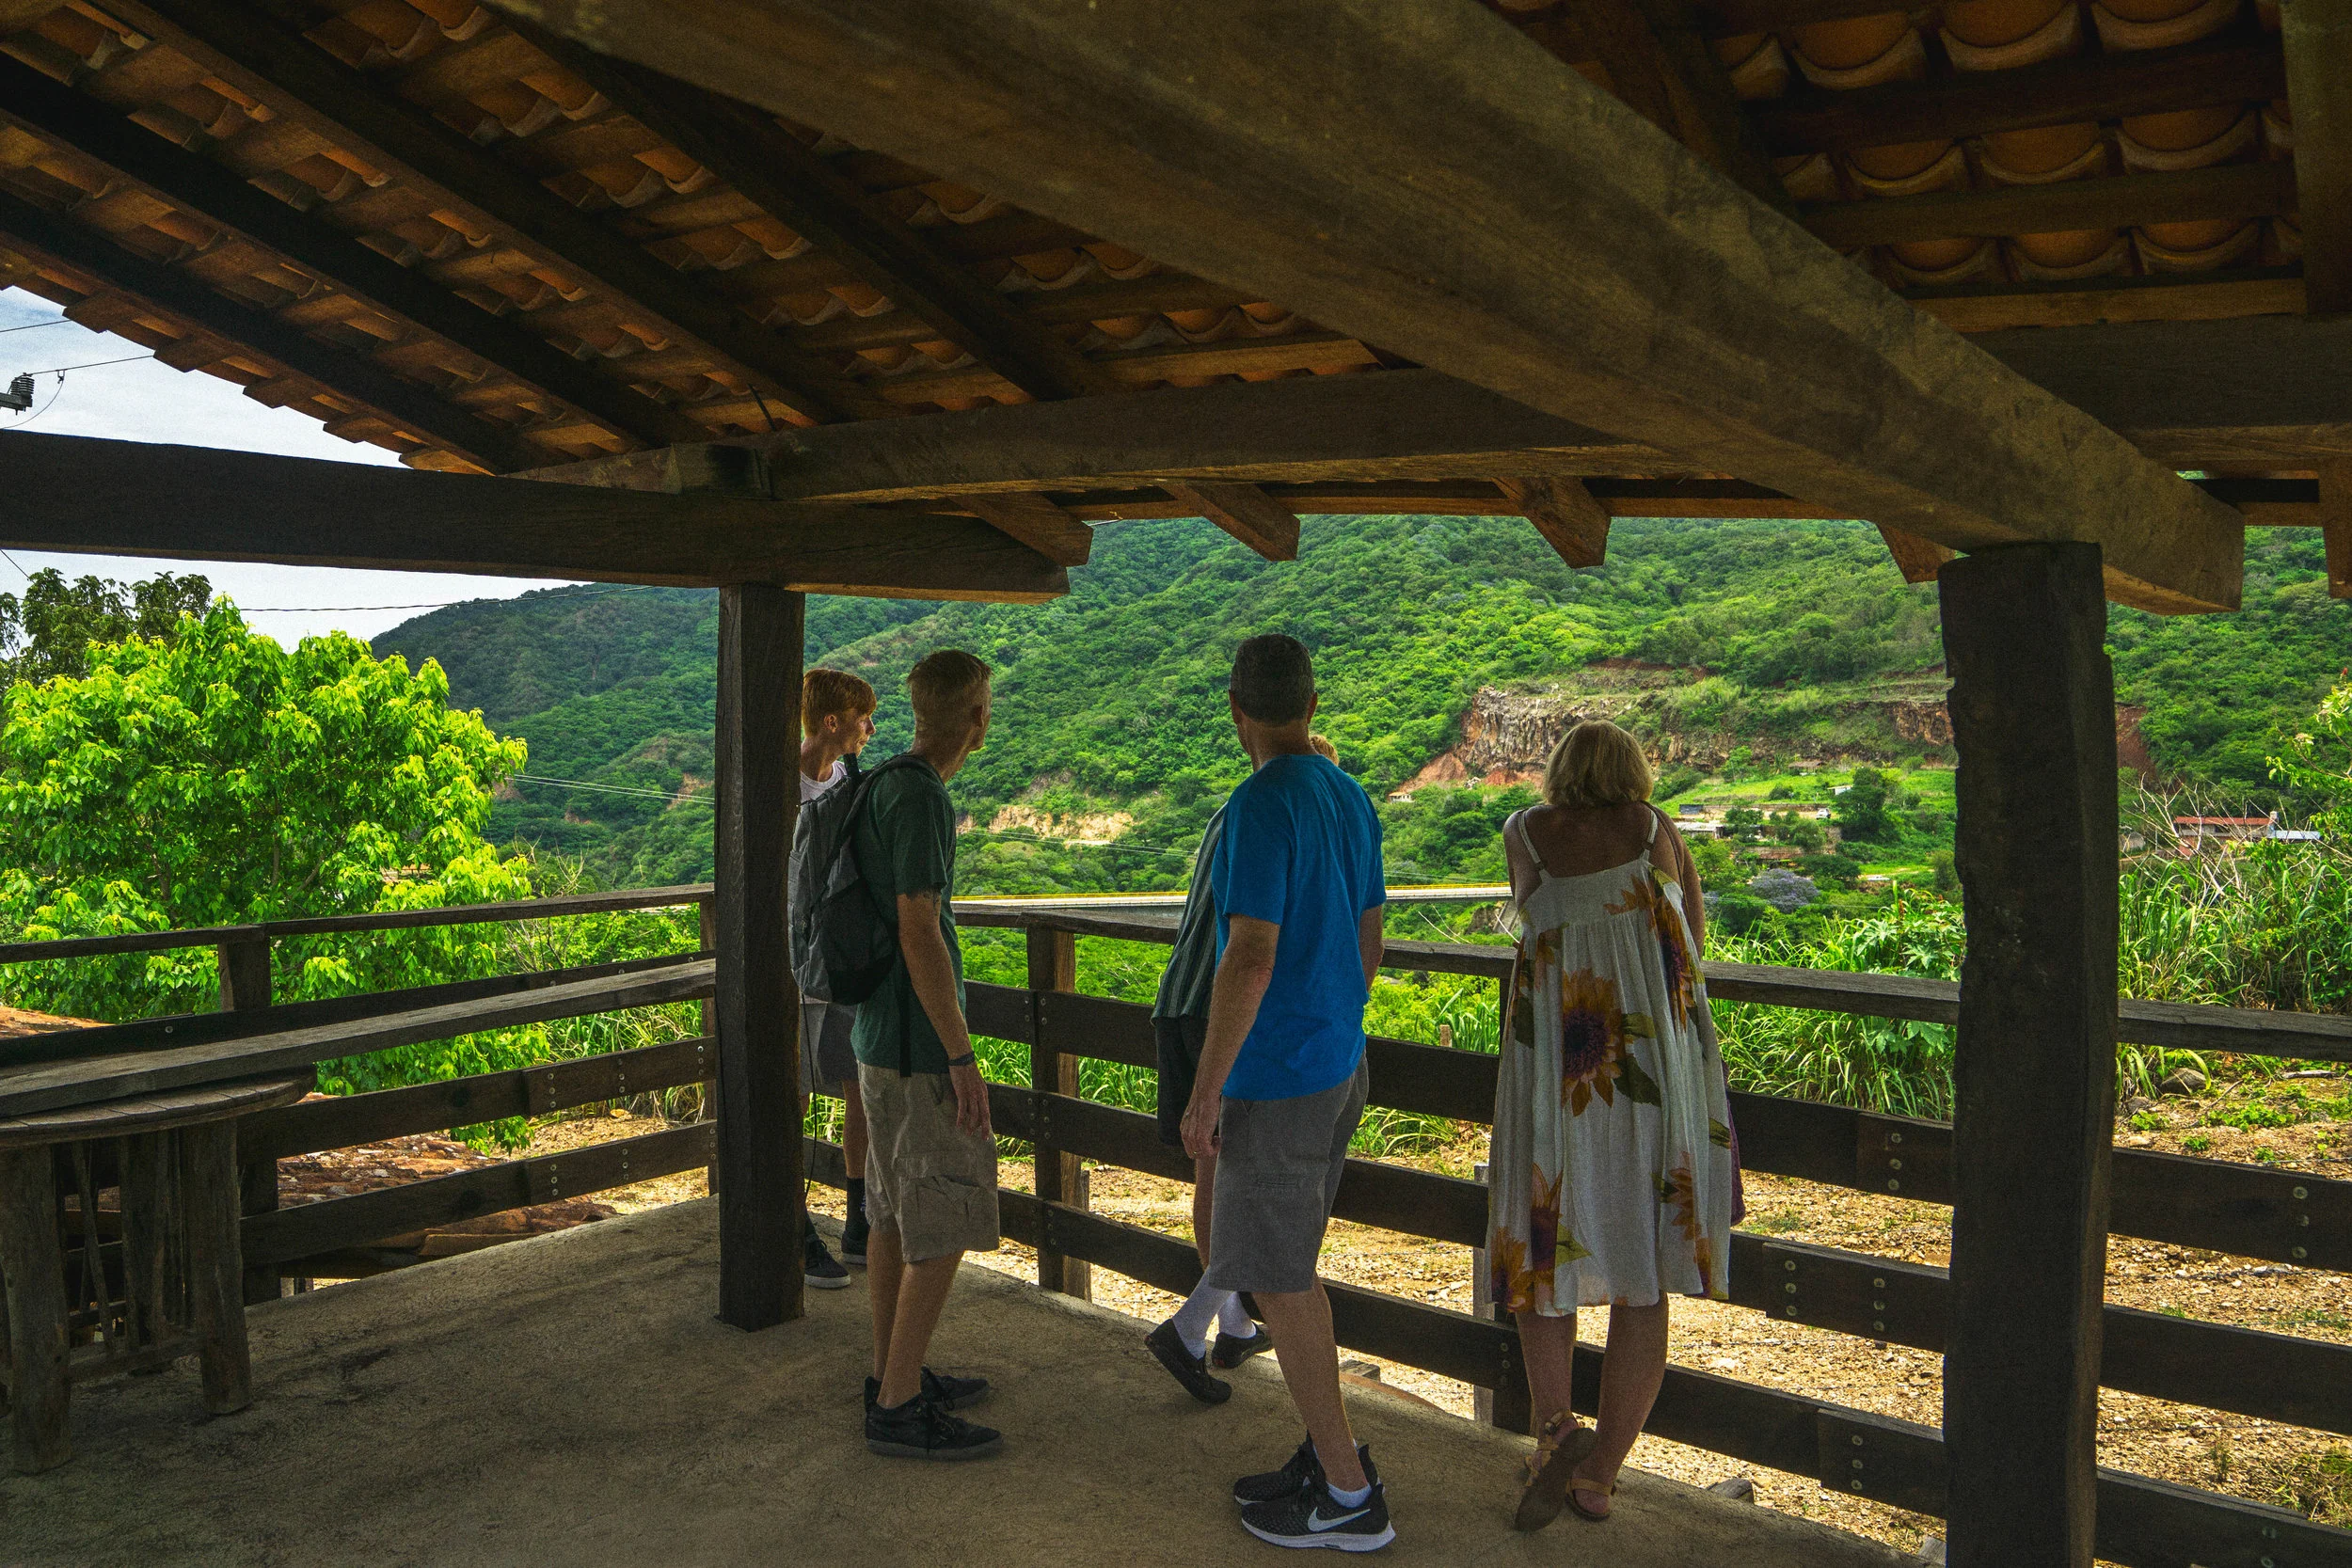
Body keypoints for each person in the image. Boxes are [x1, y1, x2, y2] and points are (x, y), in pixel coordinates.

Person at [1148, 637, 1393, 1552]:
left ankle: (1347, 1490)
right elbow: (1370, 937)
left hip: (1276, 1073)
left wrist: (1207, 1087)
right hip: (1338, 1062)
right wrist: (1335, 1009)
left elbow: (1245, 954)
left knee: (1284, 1282)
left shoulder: (1258, 805)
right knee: (1286, 1267)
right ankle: (1325, 1454)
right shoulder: (1349, 794)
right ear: (1312, 701)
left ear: (1234, 708)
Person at [1491, 720, 1738, 1530]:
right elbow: (1692, 943)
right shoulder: (1655, 829)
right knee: (1643, 1271)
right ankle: (1597, 1475)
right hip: (1651, 1073)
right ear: (1635, 769)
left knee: (1542, 1247)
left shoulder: (1524, 831)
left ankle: (1556, 1426)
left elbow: (1531, 920)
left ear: (1559, 770)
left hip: (1555, 1074)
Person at [853, 649, 1002, 1461]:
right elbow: (920, 926)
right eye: (986, 706)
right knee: (942, 1215)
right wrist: (962, 1054)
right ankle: (900, 1403)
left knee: (891, 1212)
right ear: (974, 718)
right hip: (917, 1051)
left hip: (877, 1037)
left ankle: (890, 1373)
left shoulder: (883, 782)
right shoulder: (922, 800)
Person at [798, 668, 877, 1288]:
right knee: (791, 1091)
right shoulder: (784, 783)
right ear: (833, 723)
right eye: (861, 718)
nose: (869, 729)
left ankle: (858, 1218)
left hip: (842, 955)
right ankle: (791, 1224)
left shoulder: (848, 779)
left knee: (856, 1083)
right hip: (796, 961)